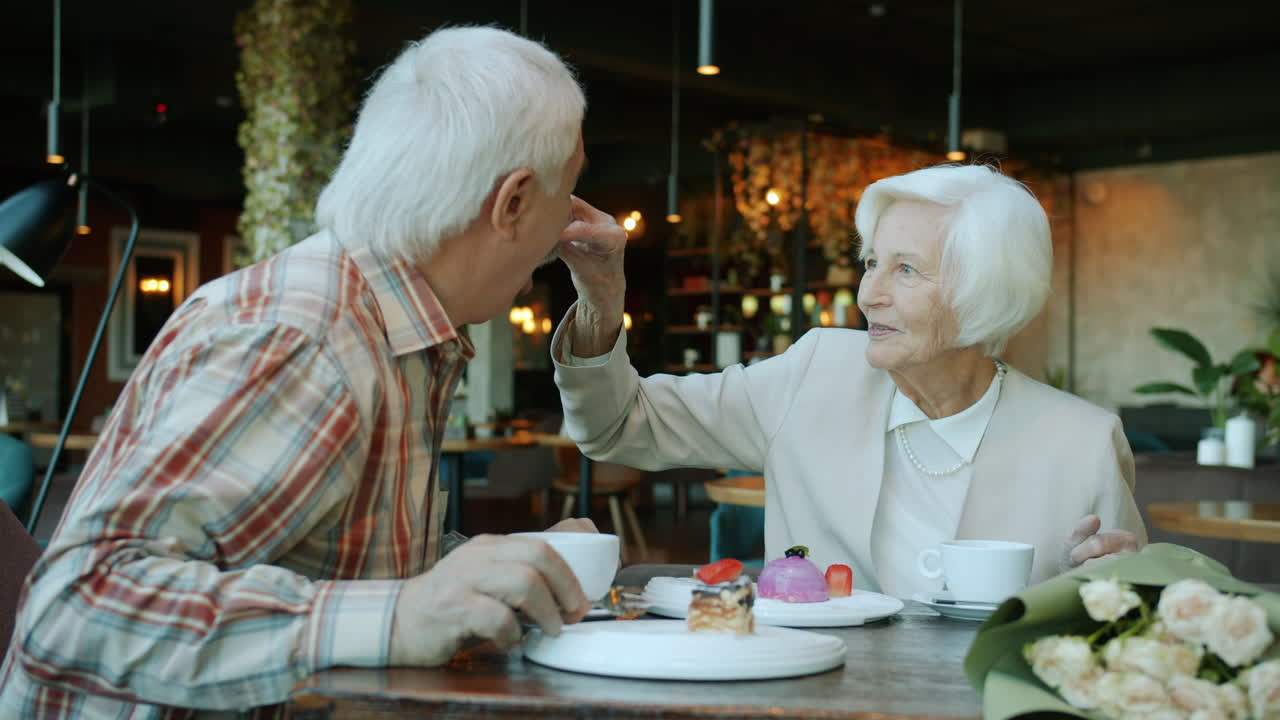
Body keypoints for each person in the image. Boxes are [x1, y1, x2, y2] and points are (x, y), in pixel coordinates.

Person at [1, 26, 605, 718]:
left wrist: (508, 569)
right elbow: (73, 606)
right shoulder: (309, 335)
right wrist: (405, 614)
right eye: (572, 190)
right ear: (515, 201)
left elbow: (336, 561)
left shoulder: (399, 329)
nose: (573, 227)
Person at [553, 163, 1146, 598]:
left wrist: (1129, 585)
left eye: (905, 269)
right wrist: (601, 298)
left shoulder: (1081, 443)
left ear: (983, 295)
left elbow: (1127, 618)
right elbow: (618, 425)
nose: (868, 294)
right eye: (871, 262)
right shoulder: (814, 374)